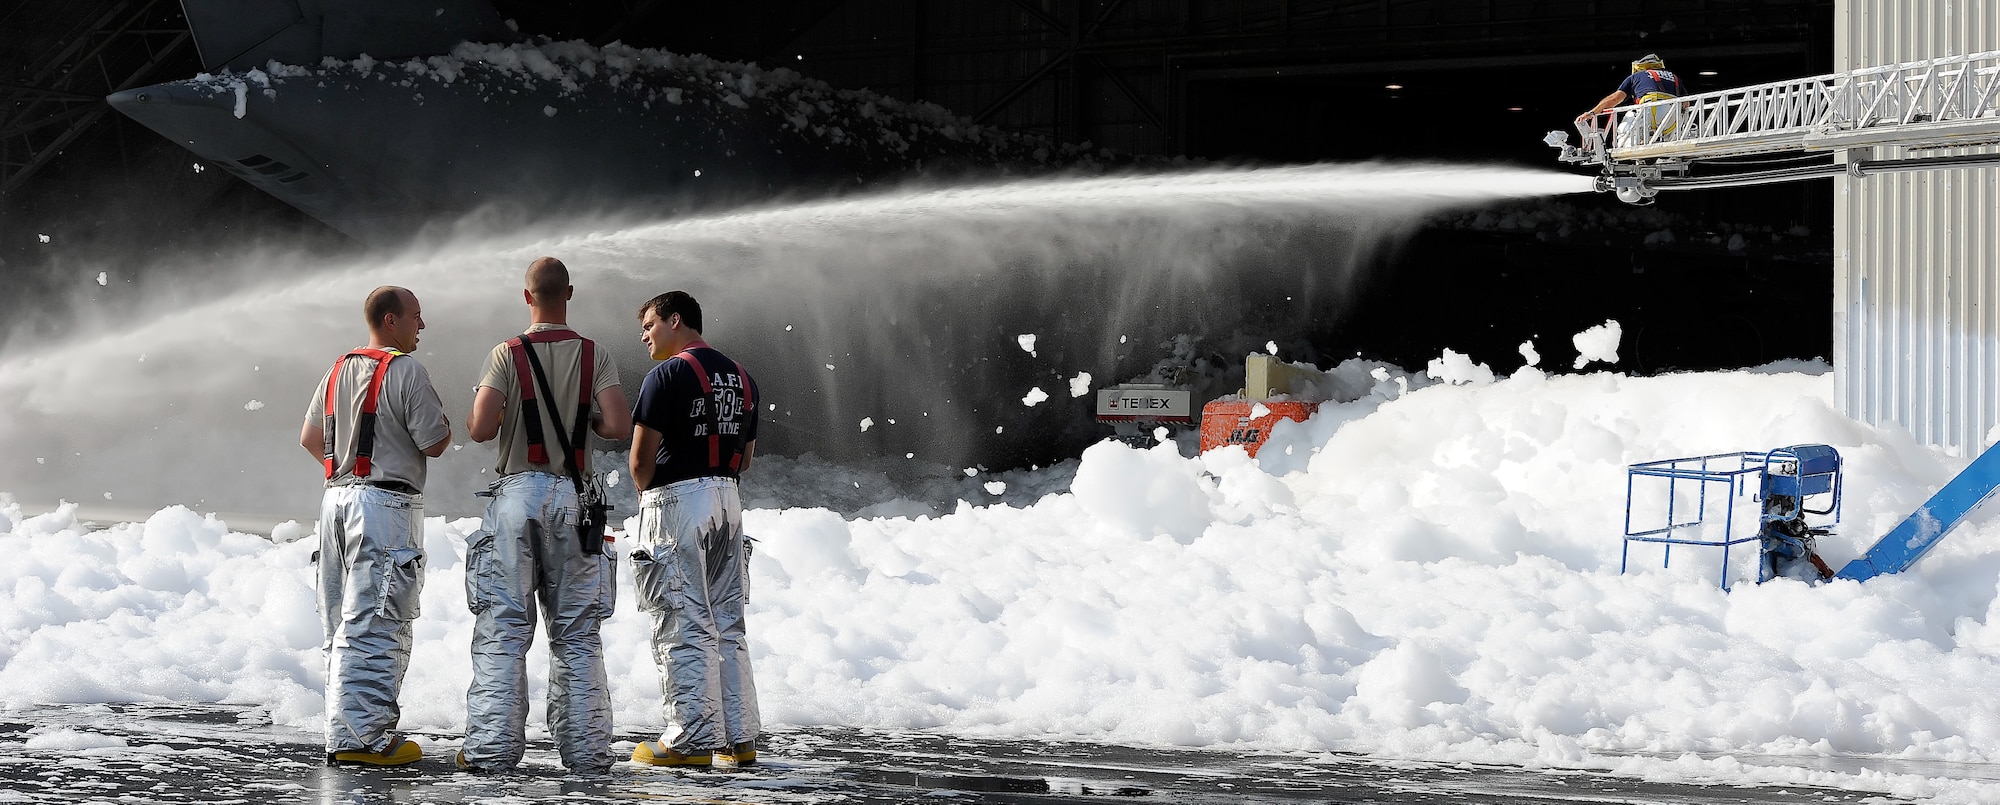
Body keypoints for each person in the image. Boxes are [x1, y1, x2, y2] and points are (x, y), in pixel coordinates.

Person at [459, 257, 631, 774]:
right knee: (578, 632)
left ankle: (491, 753)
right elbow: (619, 425)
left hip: (516, 496)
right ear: (569, 293)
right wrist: (587, 418)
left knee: (505, 628)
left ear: (526, 297)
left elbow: (481, 428)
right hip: (577, 496)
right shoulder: (594, 353)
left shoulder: (506, 353)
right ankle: (587, 754)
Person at [299, 285, 452, 766]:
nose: (421, 326)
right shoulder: (407, 371)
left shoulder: (336, 368)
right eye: (416, 316)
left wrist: (348, 466)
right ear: (391, 321)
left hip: (334, 502)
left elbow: (309, 439)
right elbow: (436, 442)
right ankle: (362, 741)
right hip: (384, 507)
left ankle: (341, 733)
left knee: (338, 623)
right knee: (377, 622)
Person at [626, 291, 762, 768]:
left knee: (681, 619)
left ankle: (690, 740)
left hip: (677, 502)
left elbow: (640, 461)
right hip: (729, 502)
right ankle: (739, 737)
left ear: (675, 319)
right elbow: (744, 457)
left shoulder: (666, 376)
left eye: (649, 325)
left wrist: (648, 493)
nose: (644, 335)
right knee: (728, 620)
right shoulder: (743, 378)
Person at [1576, 53, 1688, 146]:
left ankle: (1626, 147)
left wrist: (1592, 113)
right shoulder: (1675, 77)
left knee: (1629, 119)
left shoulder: (1638, 76)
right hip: (1673, 118)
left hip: (1651, 111)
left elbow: (1614, 99)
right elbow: (1686, 103)